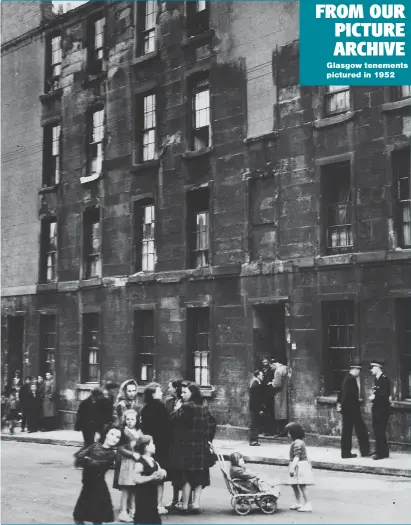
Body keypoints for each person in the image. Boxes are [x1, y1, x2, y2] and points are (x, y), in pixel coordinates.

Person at [168, 382, 216, 514]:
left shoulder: (186, 406)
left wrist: (176, 408)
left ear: (192, 393)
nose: (182, 395)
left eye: (185, 392)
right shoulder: (203, 406)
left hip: (187, 446)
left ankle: (184, 505)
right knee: (199, 476)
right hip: (201, 446)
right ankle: (195, 504)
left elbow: (173, 420)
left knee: (187, 477)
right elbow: (210, 425)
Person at [73, 425, 122, 525]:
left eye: (117, 437)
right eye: (112, 434)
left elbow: (99, 465)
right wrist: (86, 460)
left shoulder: (111, 454)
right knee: (82, 507)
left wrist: (88, 460)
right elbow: (79, 456)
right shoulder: (94, 446)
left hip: (98, 482)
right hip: (87, 481)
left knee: (98, 507)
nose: (114, 438)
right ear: (106, 434)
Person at [140, 383, 170, 515]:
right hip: (161, 445)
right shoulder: (161, 407)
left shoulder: (145, 408)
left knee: (148, 473)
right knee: (158, 475)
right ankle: (158, 503)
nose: (162, 393)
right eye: (159, 391)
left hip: (148, 445)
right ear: (153, 394)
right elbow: (166, 426)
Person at [337, 361, 370, 458]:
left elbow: (341, 393)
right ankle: (364, 451)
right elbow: (347, 396)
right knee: (361, 430)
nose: (359, 373)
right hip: (352, 410)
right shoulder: (351, 379)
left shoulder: (346, 378)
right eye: (359, 370)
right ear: (355, 369)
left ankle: (346, 453)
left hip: (347, 410)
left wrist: (340, 405)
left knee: (347, 431)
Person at [132, 435, 167, 525]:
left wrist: (163, 473)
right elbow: (136, 479)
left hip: (152, 499)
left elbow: (160, 471)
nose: (155, 445)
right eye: (152, 443)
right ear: (146, 447)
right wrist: (151, 477)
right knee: (143, 520)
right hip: (142, 499)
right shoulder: (140, 463)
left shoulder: (154, 462)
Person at [116, 409, 143, 522]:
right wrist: (132, 454)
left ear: (137, 420)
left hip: (136, 463)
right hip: (127, 462)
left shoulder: (139, 431)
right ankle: (123, 511)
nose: (130, 421)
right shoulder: (123, 432)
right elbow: (120, 448)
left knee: (134, 487)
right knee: (126, 487)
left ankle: (133, 509)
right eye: (128, 419)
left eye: (132, 419)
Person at [285, 422, 314, 512]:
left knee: (302, 485)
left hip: (299, 465)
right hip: (298, 465)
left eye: (289, 432)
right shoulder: (297, 442)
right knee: (294, 485)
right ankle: (298, 502)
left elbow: (297, 457)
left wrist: (291, 468)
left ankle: (308, 504)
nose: (287, 434)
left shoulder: (297, 443)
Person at [164, 379, 184, 509]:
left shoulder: (186, 403)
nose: (168, 389)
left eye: (170, 387)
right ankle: (175, 499)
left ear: (176, 389)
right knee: (174, 472)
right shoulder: (168, 402)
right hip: (171, 440)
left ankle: (184, 499)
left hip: (182, 441)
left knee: (184, 472)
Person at [370, 360, 391, 460]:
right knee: (377, 430)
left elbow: (384, 396)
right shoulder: (377, 379)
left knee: (380, 430)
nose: (371, 370)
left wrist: (374, 397)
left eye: (373, 367)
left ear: (378, 367)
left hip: (382, 410)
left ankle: (381, 453)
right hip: (377, 409)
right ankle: (382, 451)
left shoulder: (384, 380)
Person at [270, 359, 289, 437]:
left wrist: (272, 383)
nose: (271, 368)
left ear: (273, 364)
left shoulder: (277, 371)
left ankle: (280, 431)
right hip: (285, 393)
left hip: (279, 394)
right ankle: (284, 431)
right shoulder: (285, 368)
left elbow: (277, 385)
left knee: (279, 413)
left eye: (271, 366)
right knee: (284, 412)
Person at [249, 370, 264, 446]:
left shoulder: (256, 383)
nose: (263, 376)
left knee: (255, 424)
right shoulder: (256, 385)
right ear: (257, 376)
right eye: (262, 375)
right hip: (255, 408)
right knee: (254, 424)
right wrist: (259, 409)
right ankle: (253, 440)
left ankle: (254, 440)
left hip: (255, 408)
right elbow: (256, 399)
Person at [261, 359, 274, 435]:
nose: (265, 363)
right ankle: (265, 429)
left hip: (269, 391)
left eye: (266, 362)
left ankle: (270, 430)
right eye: (263, 362)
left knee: (269, 412)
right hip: (264, 392)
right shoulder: (261, 370)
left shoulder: (271, 370)